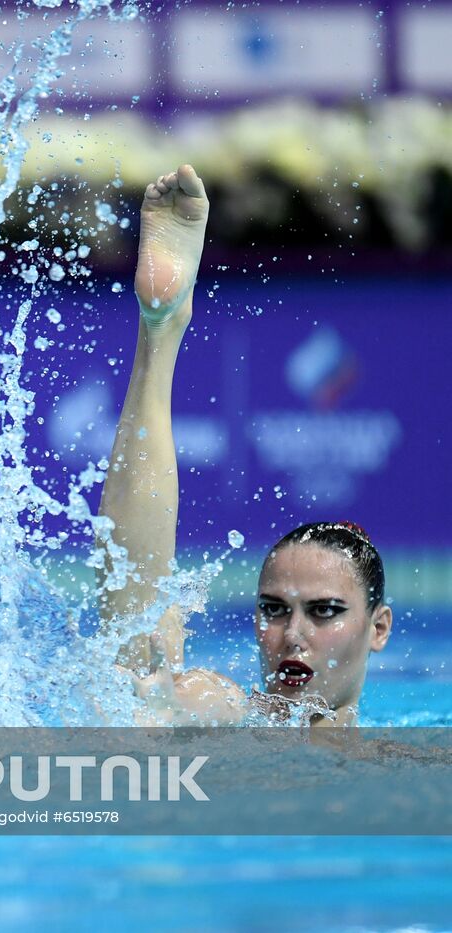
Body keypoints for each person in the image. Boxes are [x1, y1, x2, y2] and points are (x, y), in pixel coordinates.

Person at [97, 165, 392, 727]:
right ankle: (161, 330)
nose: (293, 636)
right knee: (136, 667)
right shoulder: (230, 715)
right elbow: (141, 630)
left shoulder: (404, 764)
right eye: (274, 610)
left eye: (325, 611)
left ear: (378, 628)